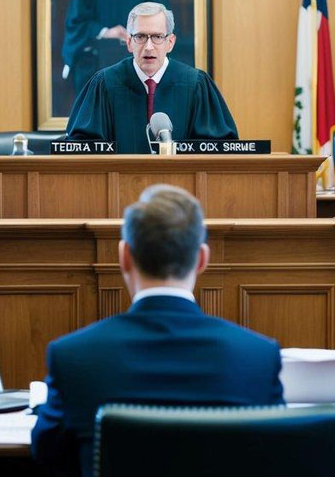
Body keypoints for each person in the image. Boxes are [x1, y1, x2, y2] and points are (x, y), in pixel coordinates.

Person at [31, 184, 284, 477]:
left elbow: (47, 454)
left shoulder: (72, 356)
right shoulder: (258, 356)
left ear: (124, 256)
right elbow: (276, 456)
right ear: (203, 259)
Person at [65, 2, 237, 153]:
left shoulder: (196, 84)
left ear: (170, 42)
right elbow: (80, 149)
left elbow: (220, 150)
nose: (148, 47)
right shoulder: (104, 84)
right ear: (129, 42)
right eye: (140, 37)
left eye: (157, 37)